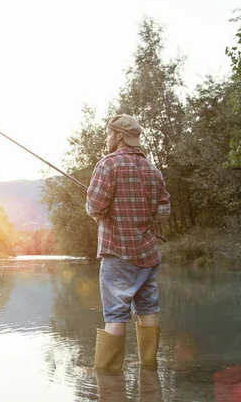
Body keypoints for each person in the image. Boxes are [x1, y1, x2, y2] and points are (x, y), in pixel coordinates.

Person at [86, 114, 171, 372]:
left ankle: (108, 377)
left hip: (118, 253)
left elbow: (94, 207)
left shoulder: (107, 166)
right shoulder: (152, 169)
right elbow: (164, 210)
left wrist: (96, 206)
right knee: (149, 308)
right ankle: (148, 367)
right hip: (148, 254)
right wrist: (145, 214)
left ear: (119, 135)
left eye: (109, 133)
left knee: (115, 314)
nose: (107, 138)